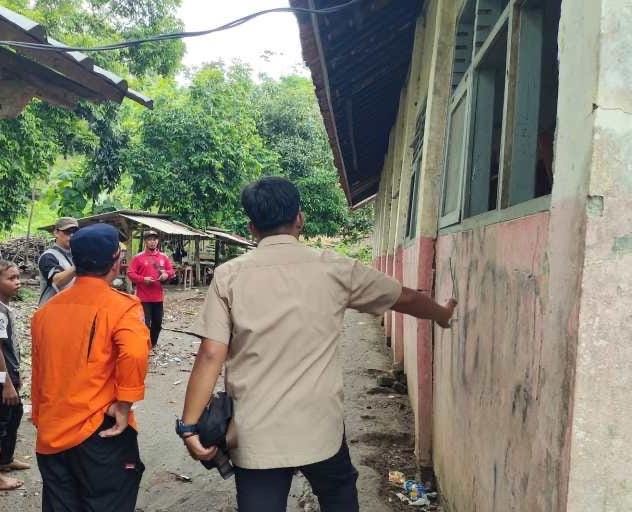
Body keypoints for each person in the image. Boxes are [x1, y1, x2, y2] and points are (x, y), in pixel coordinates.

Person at [178, 177, 457, 512]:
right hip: (319, 427)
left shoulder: (228, 276)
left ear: (251, 227)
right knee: (339, 491)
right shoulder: (334, 268)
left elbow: (211, 354)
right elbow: (406, 297)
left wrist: (189, 426)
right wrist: (441, 314)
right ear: (300, 218)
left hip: (255, 432)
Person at [31, 223, 150, 511]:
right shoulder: (123, 306)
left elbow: (39, 372)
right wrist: (124, 404)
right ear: (116, 262)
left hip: (51, 432)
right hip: (98, 431)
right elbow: (134, 353)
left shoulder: (45, 313)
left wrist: (39, 416)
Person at [0, 261, 30, 491]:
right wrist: (6, 384)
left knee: (14, 414)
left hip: (11, 375)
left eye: (18, 277)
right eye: (11, 278)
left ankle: (6, 460)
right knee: (1, 423)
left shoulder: (5, 307)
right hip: (3, 378)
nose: (18, 282)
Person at [127, 230, 175, 348]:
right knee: (145, 324)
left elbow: (171, 271)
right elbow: (130, 273)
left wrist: (166, 275)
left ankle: (152, 344)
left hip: (158, 297)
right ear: (145, 242)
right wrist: (143, 279)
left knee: (157, 324)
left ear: (157, 241)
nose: (152, 242)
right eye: (149, 239)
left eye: (154, 239)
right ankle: (145, 346)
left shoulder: (163, 257)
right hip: (143, 298)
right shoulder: (138, 258)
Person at [37, 217, 79, 306]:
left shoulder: (75, 255)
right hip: (50, 311)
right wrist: (78, 266)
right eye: (67, 232)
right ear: (56, 232)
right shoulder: (48, 256)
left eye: (74, 232)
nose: (71, 235)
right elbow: (57, 281)